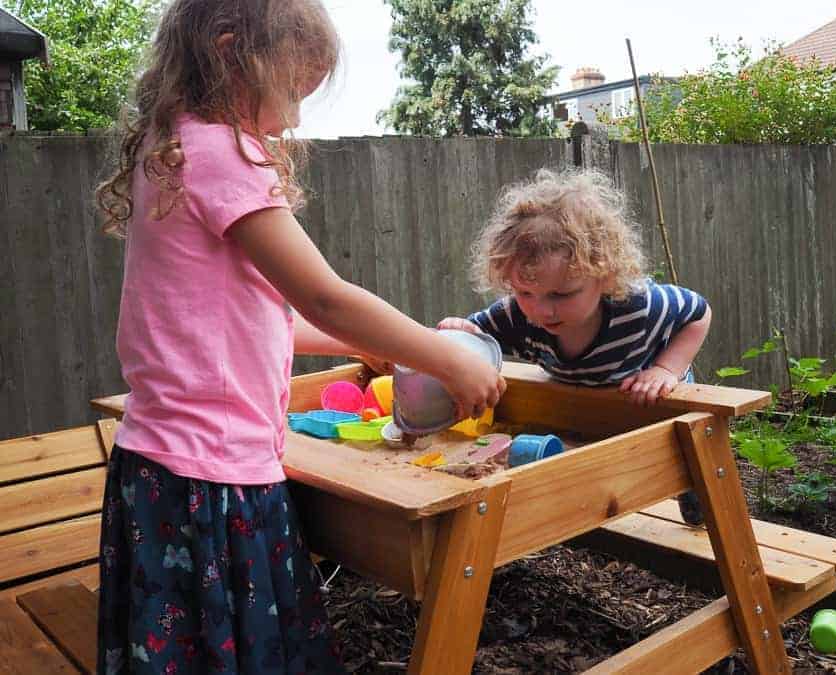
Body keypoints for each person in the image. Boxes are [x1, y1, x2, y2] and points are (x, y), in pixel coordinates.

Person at [94, 1, 504, 672]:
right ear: (231, 54)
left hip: (165, 468)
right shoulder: (218, 151)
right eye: (292, 89)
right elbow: (323, 294)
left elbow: (248, 319)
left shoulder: (169, 150)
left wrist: (357, 350)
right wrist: (443, 359)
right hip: (212, 479)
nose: (296, 117)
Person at [439, 168, 711, 525]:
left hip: (653, 392)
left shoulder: (640, 305)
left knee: (681, 459)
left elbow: (699, 312)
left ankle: (695, 497)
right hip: (586, 398)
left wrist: (666, 370)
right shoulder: (516, 315)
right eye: (524, 293)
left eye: (561, 294)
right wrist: (461, 330)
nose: (541, 310)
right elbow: (476, 336)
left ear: (605, 275)